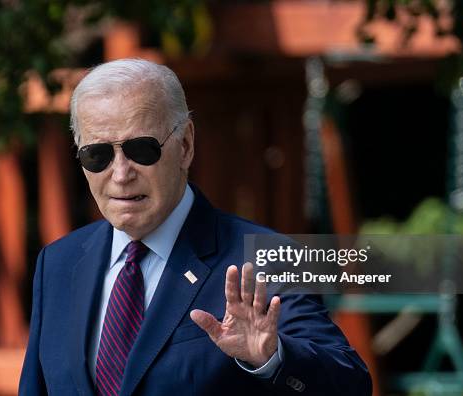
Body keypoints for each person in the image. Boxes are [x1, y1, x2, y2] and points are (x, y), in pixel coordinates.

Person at [19, 58, 371, 396]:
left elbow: (350, 385)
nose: (121, 174)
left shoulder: (266, 257)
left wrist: (271, 358)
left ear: (185, 145)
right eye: (98, 155)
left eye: (142, 150)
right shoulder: (58, 263)